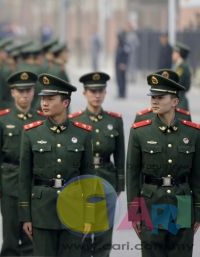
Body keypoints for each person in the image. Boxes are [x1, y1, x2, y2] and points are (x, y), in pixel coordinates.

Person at [18, 73, 94, 256]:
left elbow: (89, 178)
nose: (44, 103)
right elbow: (24, 177)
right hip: (42, 212)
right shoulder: (31, 134)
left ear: (65, 103)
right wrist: (26, 216)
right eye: (43, 98)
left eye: (51, 99)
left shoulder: (83, 134)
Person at [127, 72, 200, 257]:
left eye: (160, 97)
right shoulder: (140, 132)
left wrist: (198, 211)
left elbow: (197, 176)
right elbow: (132, 173)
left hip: (183, 202)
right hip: (152, 201)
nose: (154, 101)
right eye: (153, 97)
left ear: (175, 102)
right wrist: (135, 212)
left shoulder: (192, 133)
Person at [69, 72, 125, 257]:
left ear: (106, 92)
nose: (97, 95)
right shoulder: (75, 120)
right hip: (83, 184)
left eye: (100, 91)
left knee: (103, 237)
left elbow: (119, 156)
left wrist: (119, 185)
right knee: (82, 236)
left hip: (106, 182)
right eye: (92, 91)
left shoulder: (114, 121)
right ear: (84, 93)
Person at [0, 71, 43, 256]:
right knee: (10, 235)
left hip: (33, 185)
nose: (24, 95)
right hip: (10, 181)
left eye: (28, 91)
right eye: (20, 91)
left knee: (31, 235)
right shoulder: (1, 119)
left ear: (33, 92)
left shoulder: (41, 119)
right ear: (12, 93)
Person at [172, 43, 191, 110]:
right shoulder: (180, 66)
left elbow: (177, 83)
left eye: (174, 52)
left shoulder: (182, 67)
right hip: (178, 100)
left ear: (178, 54)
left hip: (180, 101)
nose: (172, 55)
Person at [115, 31, 130, 99]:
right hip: (118, 64)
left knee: (122, 79)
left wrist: (124, 63)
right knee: (119, 79)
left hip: (122, 65)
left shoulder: (125, 44)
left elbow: (126, 55)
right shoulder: (119, 44)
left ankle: (122, 94)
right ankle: (120, 93)